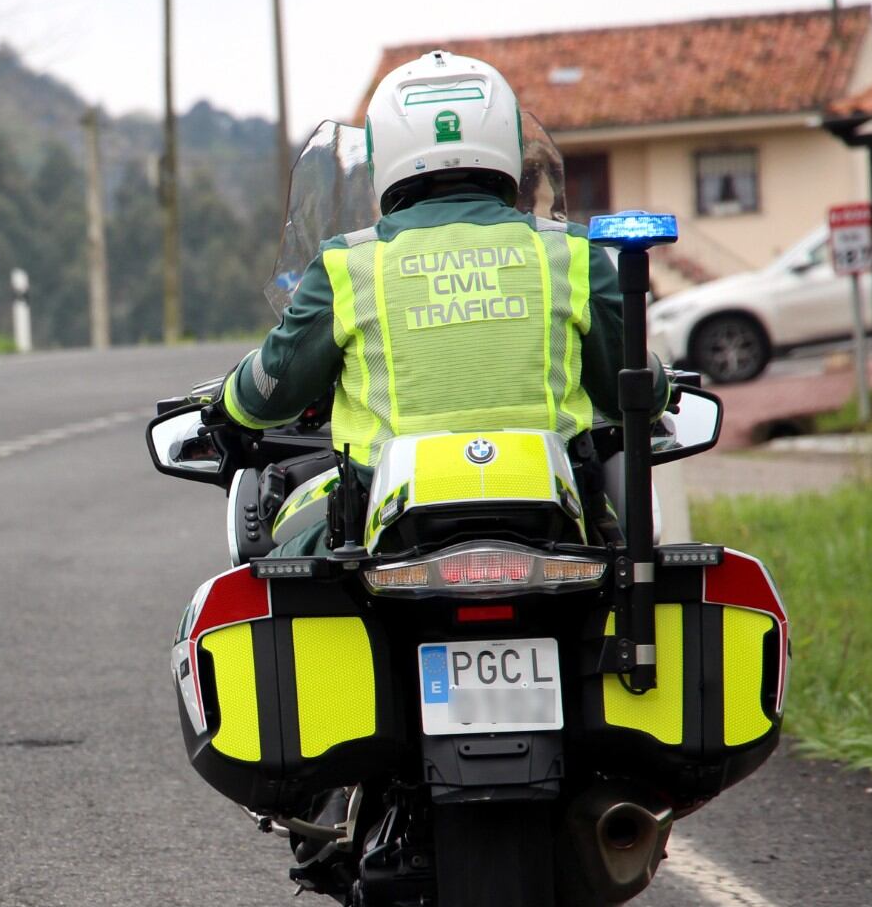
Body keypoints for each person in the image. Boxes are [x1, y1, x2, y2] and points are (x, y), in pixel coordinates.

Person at [212, 50, 667, 554]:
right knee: (630, 567)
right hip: (557, 525)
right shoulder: (569, 252)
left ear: (382, 155)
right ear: (508, 144)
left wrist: (227, 400)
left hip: (384, 532)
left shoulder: (351, 263)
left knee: (271, 576)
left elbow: (268, 395)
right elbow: (632, 389)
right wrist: (662, 383)